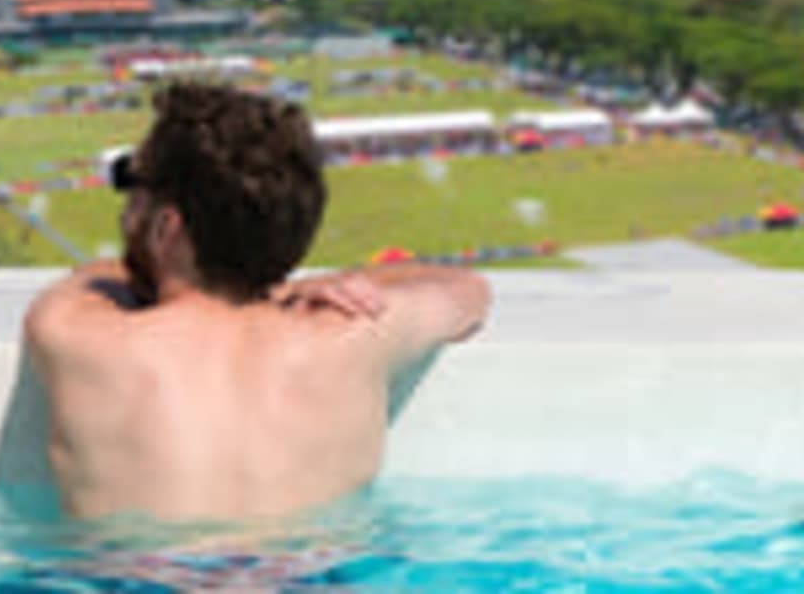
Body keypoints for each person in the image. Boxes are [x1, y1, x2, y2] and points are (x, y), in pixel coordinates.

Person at [24, 83, 491, 524]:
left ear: (166, 228)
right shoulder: (357, 332)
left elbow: (95, 273)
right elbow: (467, 290)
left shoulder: (76, 332)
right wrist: (304, 285)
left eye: (132, 184)